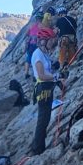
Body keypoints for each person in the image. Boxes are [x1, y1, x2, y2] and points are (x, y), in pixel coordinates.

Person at [30, 27, 58, 155]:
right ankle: (37, 148)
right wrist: (56, 76)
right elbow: (41, 75)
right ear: (44, 40)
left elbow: (47, 70)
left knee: (45, 118)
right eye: (51, 40)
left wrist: (54, 67)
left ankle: (39, 146)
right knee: (43, 119)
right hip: (43, 88)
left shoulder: (44, 53)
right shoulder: (38, 54)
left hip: (46, 87)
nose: (53, 42)